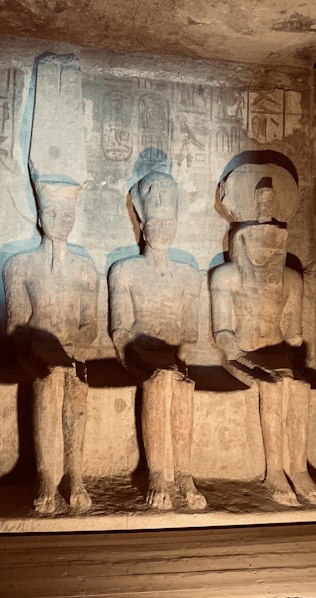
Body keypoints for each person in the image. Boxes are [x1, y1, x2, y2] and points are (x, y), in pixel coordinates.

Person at [211, 177, 316, 506]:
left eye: (272, 246)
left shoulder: (290, 278)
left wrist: (293, 346)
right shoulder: (227, 276)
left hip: (276, 355)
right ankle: (275, 471)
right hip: (240, 353)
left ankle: (298, 469)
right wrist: (240, 353)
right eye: (258, 245)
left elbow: (292, 334)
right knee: (273, 387)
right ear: (243, 244)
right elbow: (223, 333)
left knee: (299, 387)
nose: (266, 252)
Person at [108, 171, 206, 510]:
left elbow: (190, 333)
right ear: (142, 224)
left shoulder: (188, 274)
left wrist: (177, 358)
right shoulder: (124, 270)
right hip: (137, 354)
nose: (162, 230)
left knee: (180, 384)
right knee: (161, 380)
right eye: (156, 222)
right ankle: (157, 473)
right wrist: (131, 357)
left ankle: (184, 474)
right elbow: (120, 330)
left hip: (171, 358)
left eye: (168, 223)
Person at [3, 178, 99, 513]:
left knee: (75, 385)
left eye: (67, 214)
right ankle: (45, 475)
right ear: (40, 217)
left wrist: (76, 345)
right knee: (51, 379)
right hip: (34, 351)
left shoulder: (85, 269)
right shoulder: (20, 265)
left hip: (71, 352)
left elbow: (90, 325)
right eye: (53, 213)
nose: (60, 220)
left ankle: (74, 473)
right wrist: (43, 348)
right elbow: (15, 324)